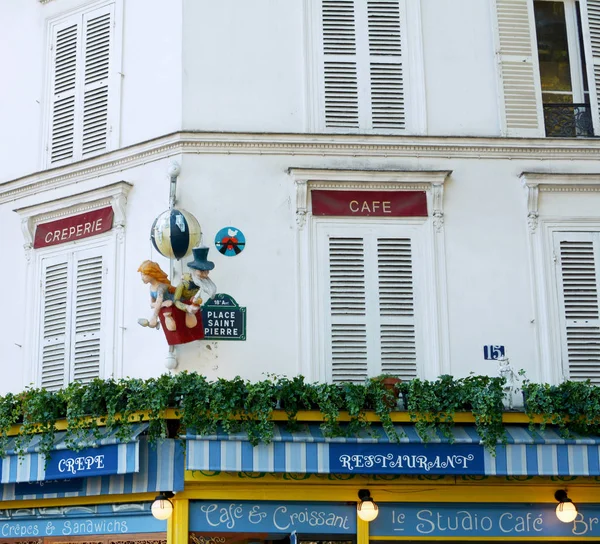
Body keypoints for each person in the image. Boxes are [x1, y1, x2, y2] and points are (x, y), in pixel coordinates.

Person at [174, 246, 217, 328]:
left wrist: (197, 301)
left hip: (194, 312)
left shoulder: (200, 283)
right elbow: (176, 301)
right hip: (182, 311)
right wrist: (187, 307)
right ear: (193, 271)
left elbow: (199, 298)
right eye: (201, 271)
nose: (205, 275)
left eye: (207, 271)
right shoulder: (183, 284)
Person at [137, 260, 178, 331]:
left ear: (152, 274)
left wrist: (154, 317)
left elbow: (158, 302)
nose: (142, 278)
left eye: (144, 275)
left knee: (172, 327)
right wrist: (164, 304)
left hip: (174, 307)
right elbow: (152, 304)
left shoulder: (161, 287)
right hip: (165, 309)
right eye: (141, 275)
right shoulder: (151, 288)